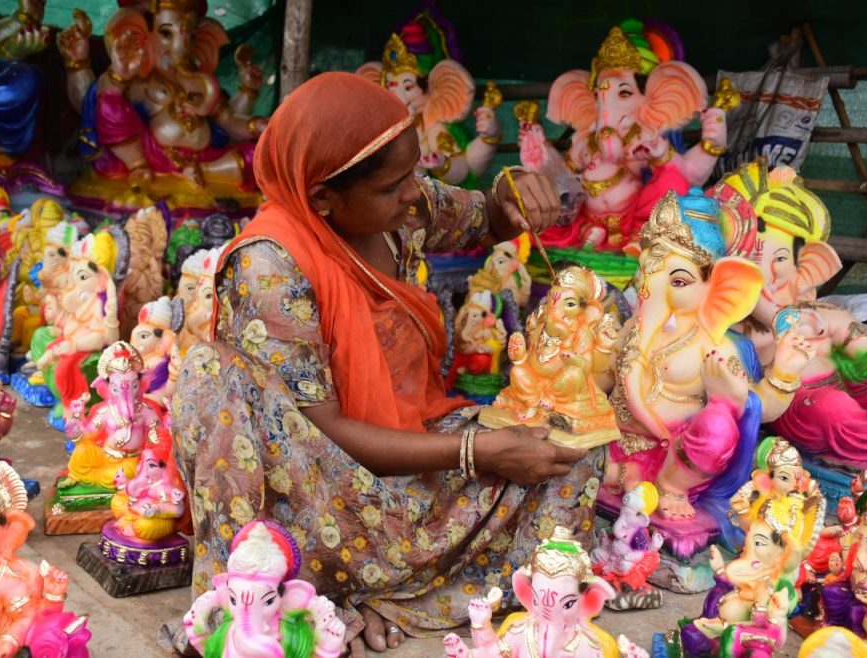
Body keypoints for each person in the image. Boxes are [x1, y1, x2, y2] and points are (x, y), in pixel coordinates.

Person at [171, 72, 603, 657]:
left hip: (418, 459)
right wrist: (479, 452)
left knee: (576, 439)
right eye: (395, 186)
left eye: (414, 176)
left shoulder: (400, 206)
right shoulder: (269, 266)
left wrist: (518, 187)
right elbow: (325, 438)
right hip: (323, 498)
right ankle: (259, 605)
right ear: (323, 196)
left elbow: (490, 217)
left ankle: (391, 599)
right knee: (209, 375)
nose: (413, 194)